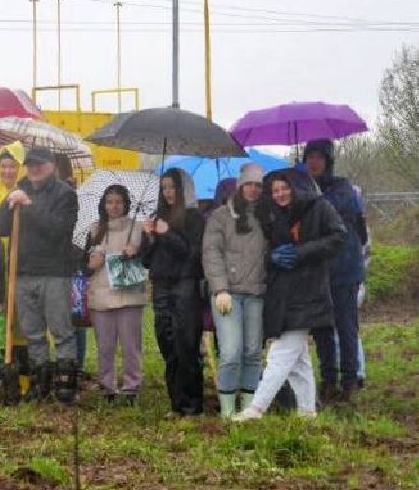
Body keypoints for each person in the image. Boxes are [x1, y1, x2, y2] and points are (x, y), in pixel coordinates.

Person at [233, 169, 346, 421]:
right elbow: (268, 250)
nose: (280, 194)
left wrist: (303, 252)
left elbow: (339, 236)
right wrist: (271, 258)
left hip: (310, 290)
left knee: (281, 353)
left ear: (295, 187)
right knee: (299, 359)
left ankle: (256, 408)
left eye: (284, 188)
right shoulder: (274, 215)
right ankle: (307, 412)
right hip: (283, 292)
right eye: (274, 191)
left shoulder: (320, 207)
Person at [0, 147, 79, 402]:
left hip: (55, 273)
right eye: (30, 165)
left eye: (40, 164)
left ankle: (65, 386)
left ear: (52, 165)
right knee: (33, 333)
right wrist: (10, 205)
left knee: (61, 330)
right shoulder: (18, 189)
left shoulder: (65, 194)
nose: (34, 169)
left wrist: (27, 206)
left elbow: (59, 229)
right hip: (22, 273)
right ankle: (40, 384)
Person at [302, 139, 367, 403]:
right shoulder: (306, 188)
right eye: (309, 157)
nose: (314, 162)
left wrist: (310, 198)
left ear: (328, 161)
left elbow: (335, 216)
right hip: (317, 271)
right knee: (321, 328)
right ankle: (328, 378)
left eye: (319, 157)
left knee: (346, 326)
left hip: (344, 270)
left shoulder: (343, 189)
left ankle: (350, 379)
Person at [202, 165, 267, 417]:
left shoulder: (266, 216)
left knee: (252, 352)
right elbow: (211, 253)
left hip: (256, 293)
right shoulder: (220, 217)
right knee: (230, 352)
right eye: (249, 184)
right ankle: (227, 412)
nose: (253, 189)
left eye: (258, 185)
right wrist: (219, 288)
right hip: (227, 294)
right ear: (239, 187)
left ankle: (249, 407)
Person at [143, 168, 206, 416]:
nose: (168, 192)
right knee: (167, 344)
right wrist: (148, 238)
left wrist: (166, 233)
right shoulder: (158, 216)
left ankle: (191, 405)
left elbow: (191, 253)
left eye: (172, 187)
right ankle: (176, 403)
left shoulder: (194, 217)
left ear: (182, 189)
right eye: (164, 187)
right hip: (161, 285)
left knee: (186, 344)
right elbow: (147, 260)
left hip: (185, 285)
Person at [84, 184, 151, 403]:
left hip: (130, 294)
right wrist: (92, 264)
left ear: (126, 204)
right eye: (109, 202)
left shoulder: (138, 229)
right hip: (101, 295)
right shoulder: (94, 230)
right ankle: (107, 387)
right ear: (103, 205)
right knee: (105, 345)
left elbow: (149, 257)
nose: (114, 206)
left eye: (118, 202)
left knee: (132, 345)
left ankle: (132, 387)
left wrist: (137, 251)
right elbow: (82, 265)